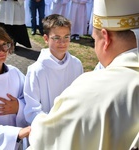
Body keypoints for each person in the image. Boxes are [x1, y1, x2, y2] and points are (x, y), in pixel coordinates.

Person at [26, 0, 139, 149]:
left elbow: (48, 136)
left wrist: (41, 125)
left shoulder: (91, 88)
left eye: (94, 39)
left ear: (105, 38)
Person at [23, 14, 83, 125]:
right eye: (57, 38)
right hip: (49, 128)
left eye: (66, 37)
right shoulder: (36, 70)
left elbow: (80, 97)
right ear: (46, 38)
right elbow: (32, 109)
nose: (63, 42)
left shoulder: (76, 64)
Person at [0, 25, 30, 150]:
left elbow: (31, 99)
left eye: (5, 44)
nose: (2, 50)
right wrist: (16, 134)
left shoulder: (15, 73)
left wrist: (19, 106)